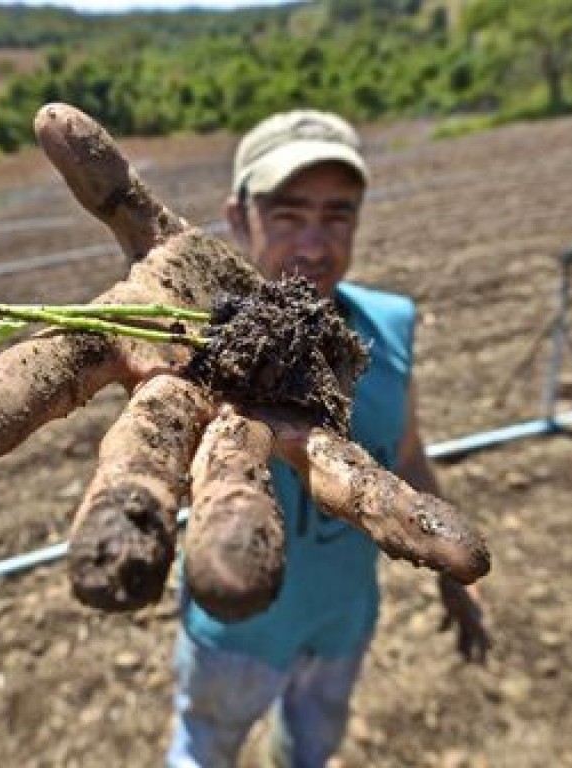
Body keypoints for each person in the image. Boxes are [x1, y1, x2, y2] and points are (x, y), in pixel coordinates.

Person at [166, 110, 491, 768]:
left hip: (342, 622)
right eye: (288, 215)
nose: (315, 245)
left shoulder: (389, 326)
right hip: (237, 633)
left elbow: (406, 452)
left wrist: (452, 579)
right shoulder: (198, 351)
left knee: (310, 747)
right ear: (238, 218)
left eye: (337, 215)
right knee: (204, 749)